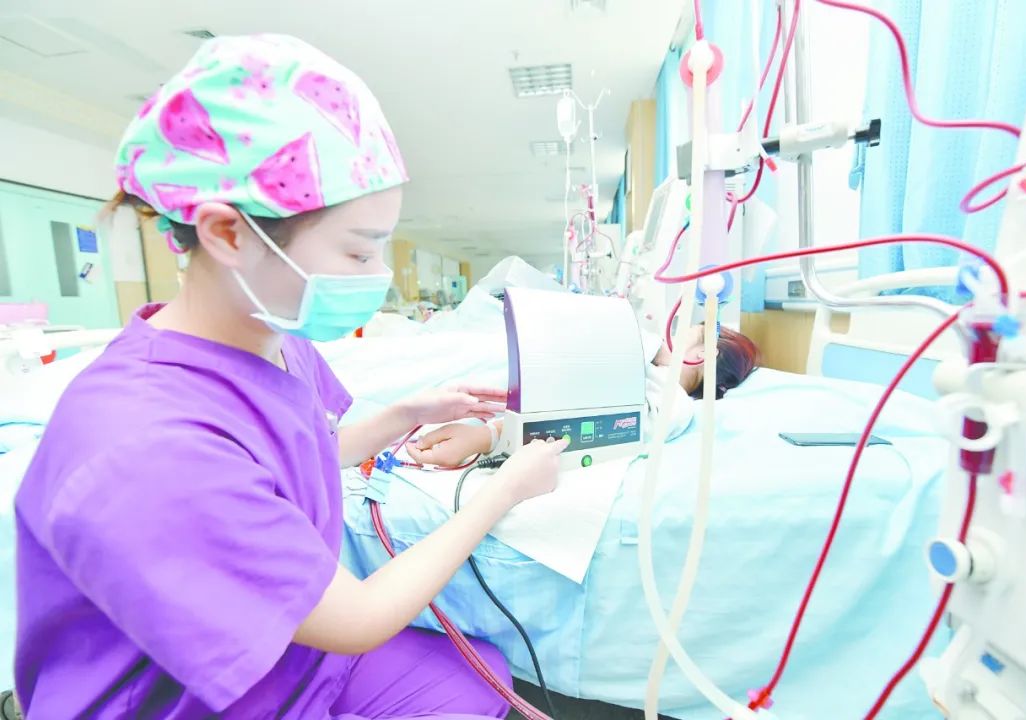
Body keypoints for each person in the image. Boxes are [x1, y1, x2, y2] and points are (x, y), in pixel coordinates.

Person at [14, 35, 567, 719]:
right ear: (228, 235)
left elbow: (300, 455)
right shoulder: (144, 445)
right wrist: (505, 489)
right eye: (358, 252)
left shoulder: (274, 337)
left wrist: (408, 413)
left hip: (295, 662)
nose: (379, 277)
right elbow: (357, 618)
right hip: (184, 700)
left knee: (481, 674)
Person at [407, 323, 759, 467]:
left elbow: (595, 427)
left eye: (687, 331)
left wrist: (485, 437)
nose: (672, 332)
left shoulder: (673, 404)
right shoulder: (650, 362)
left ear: (702, 354)